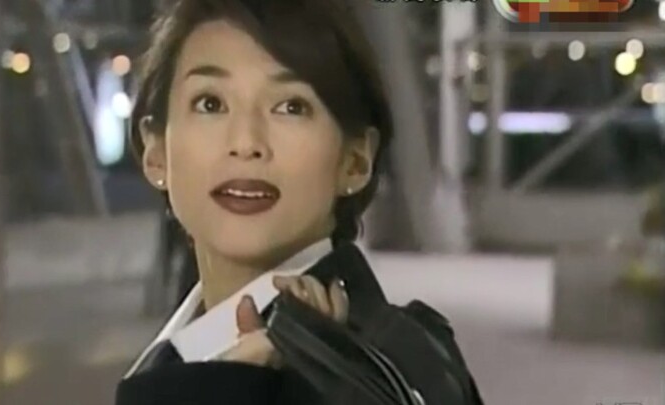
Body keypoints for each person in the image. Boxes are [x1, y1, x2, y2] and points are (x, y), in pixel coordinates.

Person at [116, 0, 482, 404]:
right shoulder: (179, 355)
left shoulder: (365, 377)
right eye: (211, 104)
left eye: (291, 107)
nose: (246, 142)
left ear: (355, 160)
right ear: (156, 152)